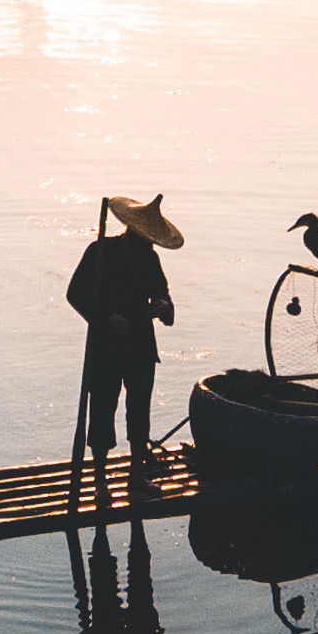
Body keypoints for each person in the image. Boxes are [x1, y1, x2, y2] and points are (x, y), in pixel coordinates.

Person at [66, 194, 181, 461]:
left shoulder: (150, 259)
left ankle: (138, 475)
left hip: (141, 344)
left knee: (140, 412)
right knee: (102, 410)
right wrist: (108, 318)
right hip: (106, 345)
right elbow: (75, 294)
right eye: (144, 241)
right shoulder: (100, 252)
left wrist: (164, 306)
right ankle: (100, 480)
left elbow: (164, 300)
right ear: (131, 232)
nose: (147, 246)